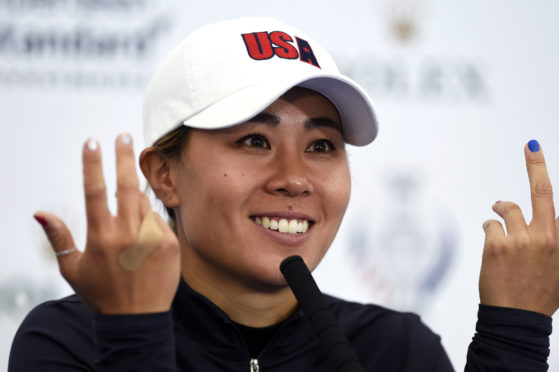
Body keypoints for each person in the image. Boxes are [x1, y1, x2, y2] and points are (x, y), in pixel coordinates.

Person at [8, 17, 558, 371]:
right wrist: (133, 338)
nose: (295, 178)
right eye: (254, 140)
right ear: (164, 175)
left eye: (322, 145)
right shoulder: (72, 342)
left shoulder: (396, 350)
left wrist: (515, 335)